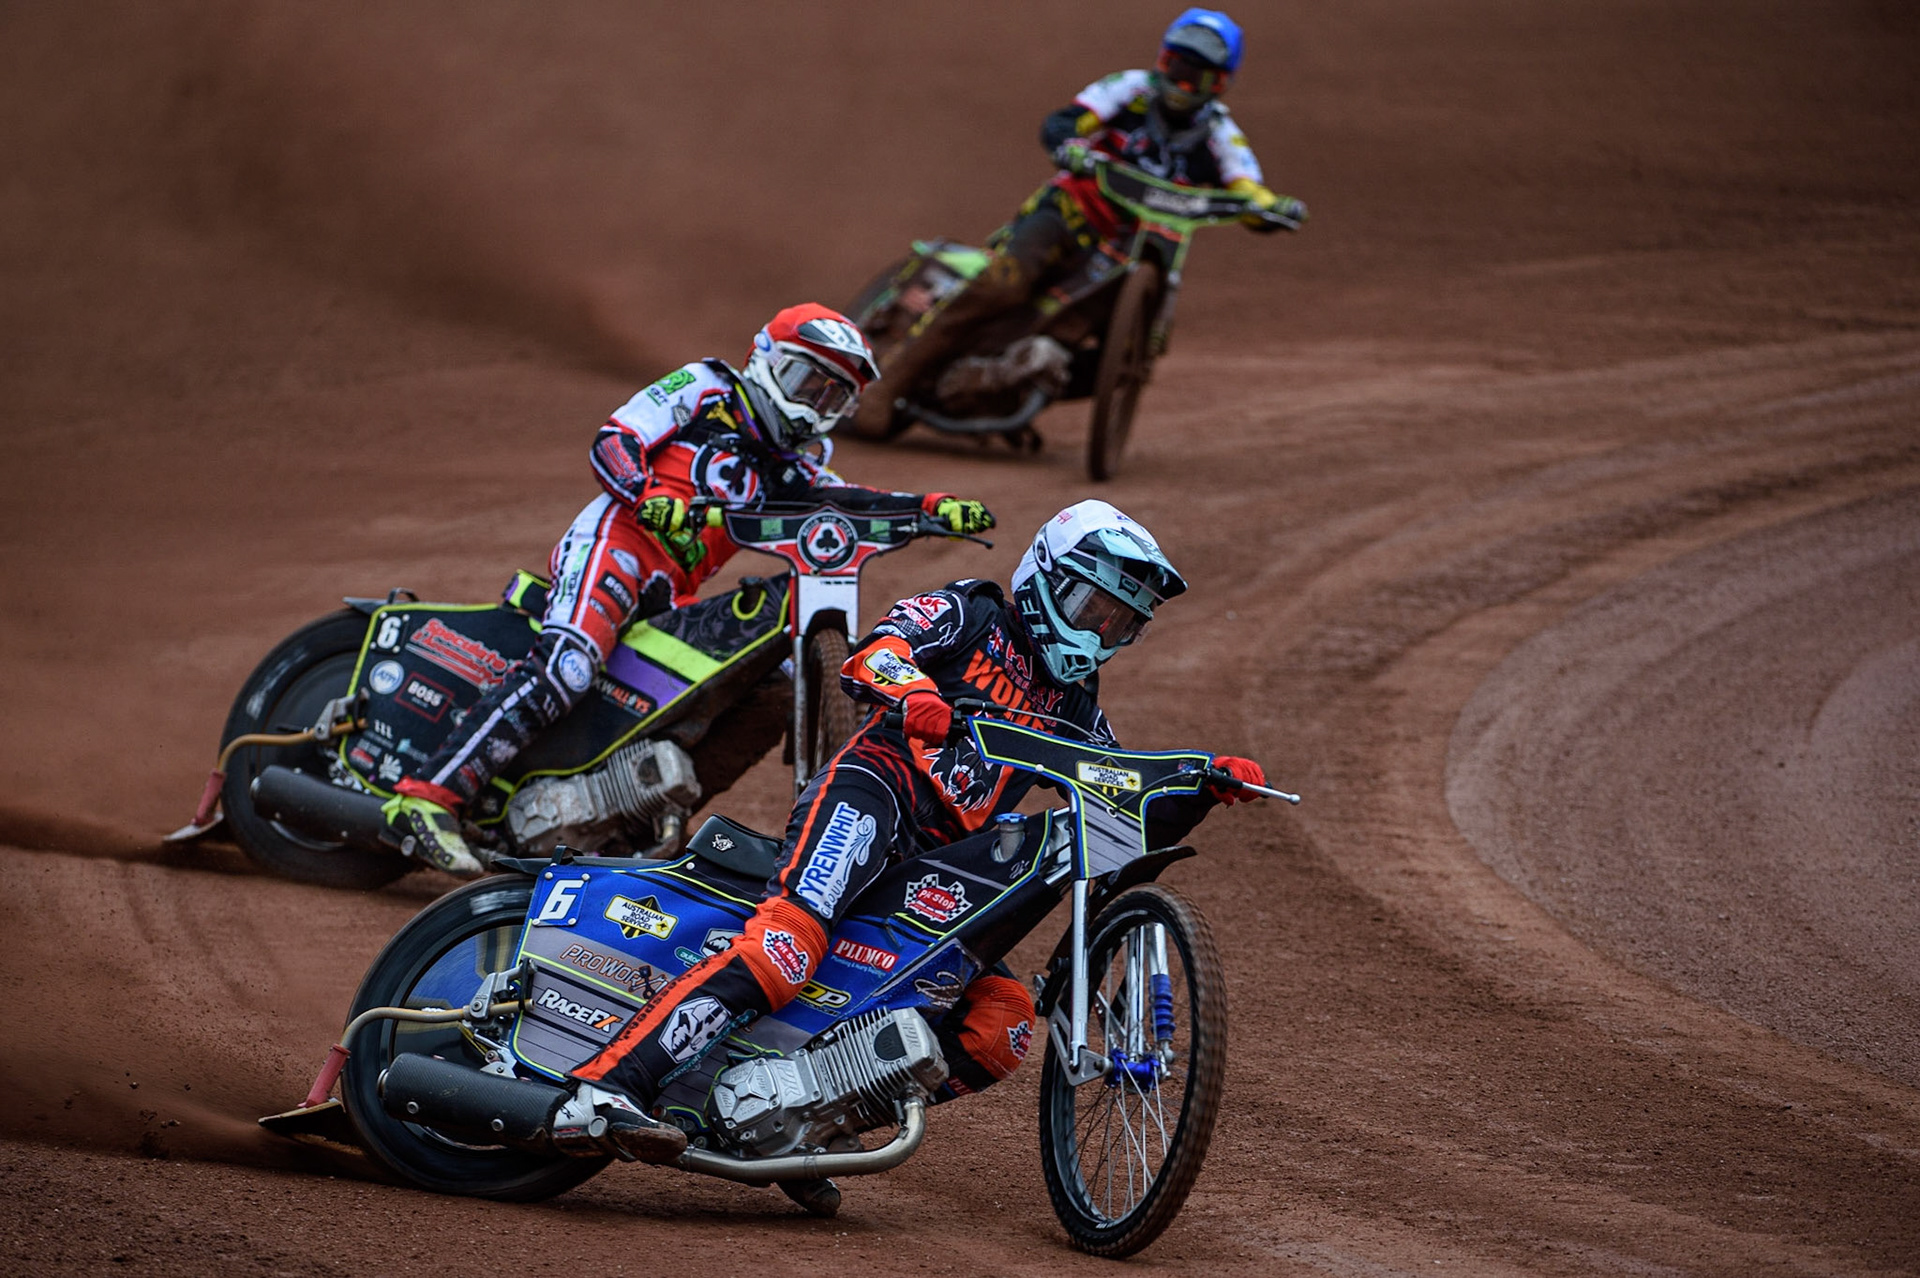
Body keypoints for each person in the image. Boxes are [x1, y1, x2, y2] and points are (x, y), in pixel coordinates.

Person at [561, 499, 1268, 1166]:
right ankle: (607, 1085)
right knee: (786, 948)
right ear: (1049, 576)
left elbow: (1114, 801)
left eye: (1120, 625)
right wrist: (917, 690)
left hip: (938, 865)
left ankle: (803, 1123)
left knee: (1003, 1023)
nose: (1100, 635)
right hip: (873, 792)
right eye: (1095, 609)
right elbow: (874, 652)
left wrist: (1197, 786)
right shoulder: (974, 610)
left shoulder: (1076, 705)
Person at [382, 304, 996, 876]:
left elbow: (842, 500)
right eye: (807, 381)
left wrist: (929, 507)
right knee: (570, 665)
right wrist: (647, 497)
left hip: (668, 590)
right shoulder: (707, 387)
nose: (813, 404)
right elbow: (615, 440)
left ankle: (624, 830)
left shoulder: (798, 463)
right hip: (615, 542)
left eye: (832, 396)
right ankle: (426, 795)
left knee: (737, 694)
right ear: (766, 358)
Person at [850, 7, 1306, 436]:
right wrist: (1070, 143)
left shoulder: (1221, 135)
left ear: (1219, 83)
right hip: (1071, 212)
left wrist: (1271, 207)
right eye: (1173, 65)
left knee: (1127, 353)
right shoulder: (1129, 88)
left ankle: (1008, 389)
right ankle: (888, 384)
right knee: (1003, 284)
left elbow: (1246, 185)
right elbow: (1069, 120)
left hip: (1135, 249)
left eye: (1193, 76)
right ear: (1160, 59)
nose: (1177, 81)